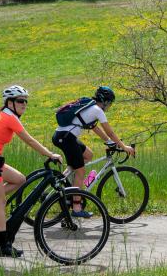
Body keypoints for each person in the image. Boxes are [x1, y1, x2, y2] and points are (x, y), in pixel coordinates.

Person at [0, 85, 62, 257]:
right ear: (10, 102)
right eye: (20, 101)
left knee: (20, 179)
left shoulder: (4, 114)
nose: (24, 104)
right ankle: (4, 245)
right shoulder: (9, 117)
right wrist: (51, 154)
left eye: (26, 102)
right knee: (1, 204)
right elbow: (30, 140)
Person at [52, 86, 135, 217]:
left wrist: (108, 142)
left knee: (88, 155)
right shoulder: (97, 110)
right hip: (67, 138)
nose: (110, 106)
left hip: (63, 135)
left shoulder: (90, 107)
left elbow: (94, 127)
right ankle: (76, 208)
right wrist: (124, 147)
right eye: (110, 103)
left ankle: (67, 181)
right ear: (106, 101)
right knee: (81, 171)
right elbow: (110, 131)